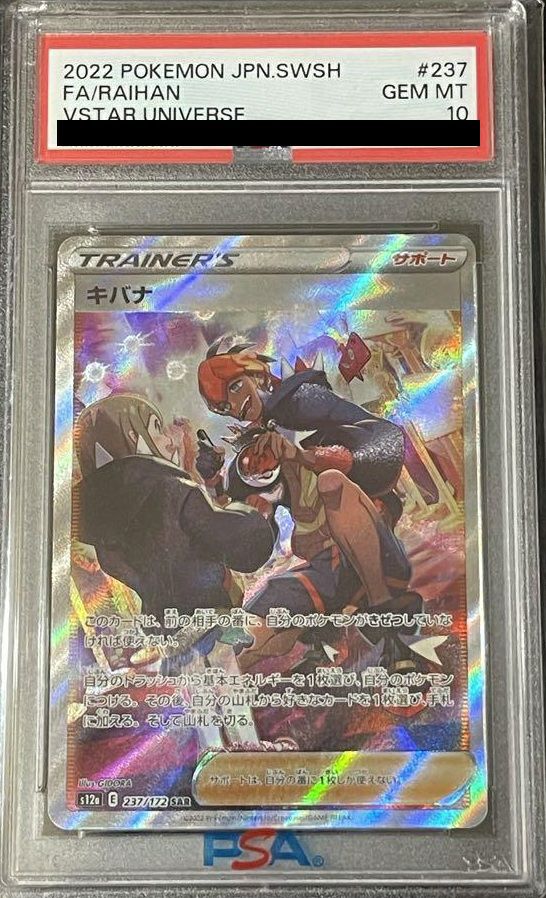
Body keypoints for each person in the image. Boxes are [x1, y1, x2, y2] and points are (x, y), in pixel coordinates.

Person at [196, 341, 423, 673]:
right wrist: (213, 482)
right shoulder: (253, 454)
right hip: (324, 569)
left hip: (372, 552)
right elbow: (243, 536)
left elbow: (384, 442)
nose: (234, 406)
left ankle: (386, 620)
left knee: (331, 483)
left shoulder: (304, 402)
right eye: (222, 406)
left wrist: (303, 456)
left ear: (254, 373)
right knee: (243, 639)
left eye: (234, 388)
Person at [74, 393, 276, 626]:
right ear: (134, 436)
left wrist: (206, 482)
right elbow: (245, 548)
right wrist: (251, 514)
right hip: (210, 618)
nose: (169, 440)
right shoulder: (173, 492)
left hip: (164, 627)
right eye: (157, 429)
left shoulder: (102, 525)